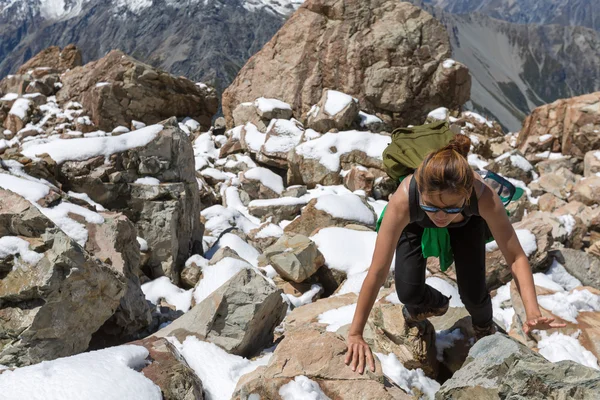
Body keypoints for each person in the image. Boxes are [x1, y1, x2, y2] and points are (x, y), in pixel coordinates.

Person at [344, 134, 566, 374]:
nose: (440, 217)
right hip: (416, 222)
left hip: (467, 223)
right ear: (421, 192)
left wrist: (532, 311)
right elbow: (377, 272)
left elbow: (516, 257)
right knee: (407, 292)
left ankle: (483, 328)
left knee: (473, 293)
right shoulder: (404, 199)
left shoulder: (483, 196)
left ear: (466, 193)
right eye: (432, 206)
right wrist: (355, 333)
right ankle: (435, 304)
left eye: (449, 208)